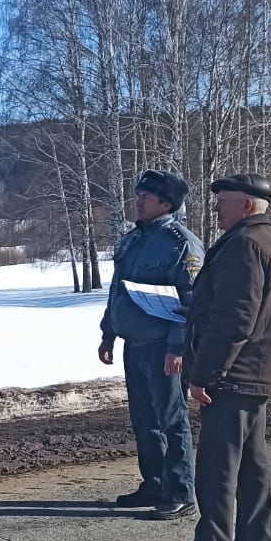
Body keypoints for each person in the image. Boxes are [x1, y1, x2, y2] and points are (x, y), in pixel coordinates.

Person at [154, 172, 271, 541]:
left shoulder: (245, 245)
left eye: (223, 202)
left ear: (246, 205)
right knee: (251, 468)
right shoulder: (266, 241)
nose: (216, 209)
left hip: (234, 377)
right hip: (254, 374)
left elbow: (233, 320)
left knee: (217, 470)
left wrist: (205, 375)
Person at [99, 169, 204, 519]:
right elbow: (119, 291)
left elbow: (190, 302)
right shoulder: (133, 239)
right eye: (138, 195)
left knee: (172, 420)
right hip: (135, 343)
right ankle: (154, 483)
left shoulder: (180, 242)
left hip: (163, 347)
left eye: (145, 196)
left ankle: (180, 491)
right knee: (144, 419)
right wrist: (108, 332)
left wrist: (177, 349)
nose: (138, 201)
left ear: (166, 203)